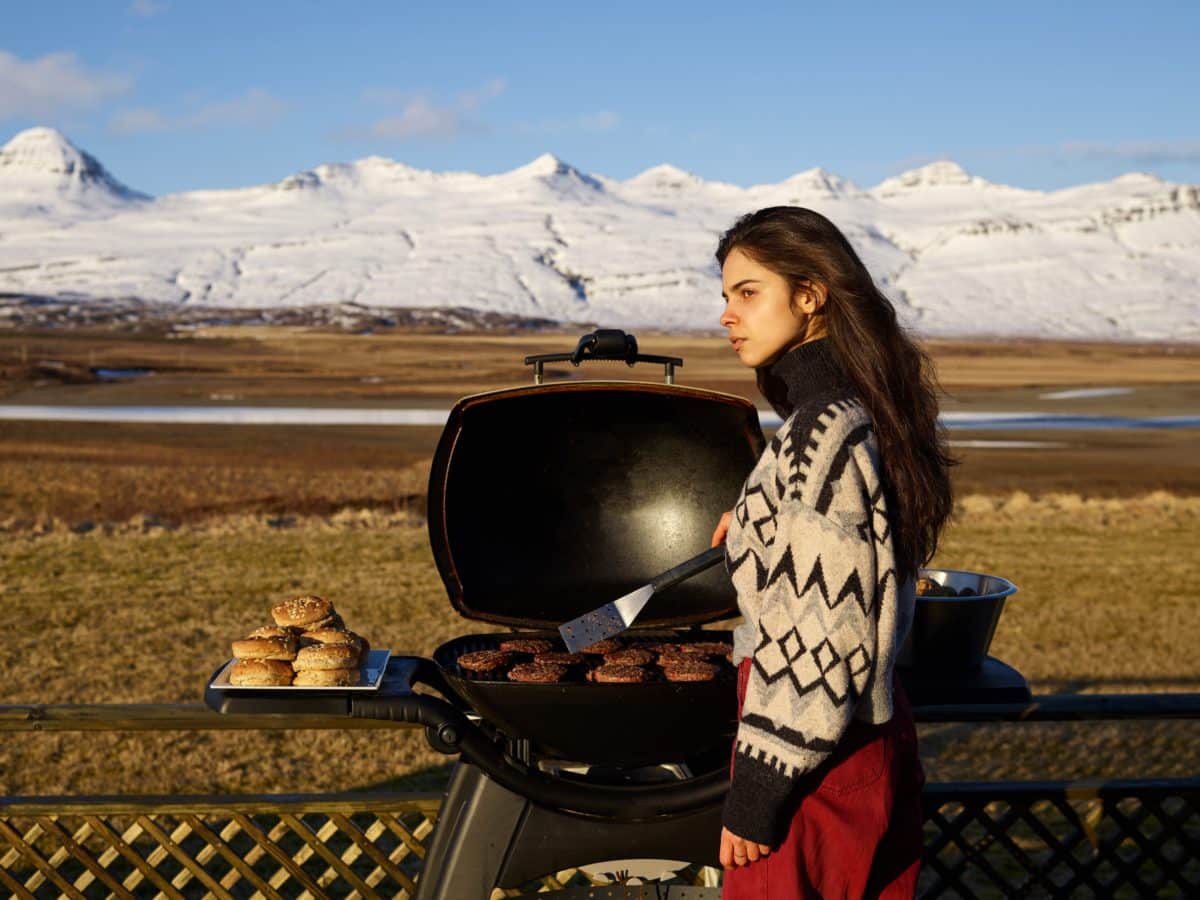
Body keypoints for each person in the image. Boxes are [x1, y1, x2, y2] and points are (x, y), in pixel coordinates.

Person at [709, 207, 954, 898]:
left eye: (748, 293)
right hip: (858, 740)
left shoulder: (823, 434)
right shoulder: (855, 411)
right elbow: (856, 557)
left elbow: (821, 632)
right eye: (726, 296)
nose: (727, 315)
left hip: (811, 754)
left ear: (811, 294)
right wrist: (759, 520)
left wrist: (759, 791)